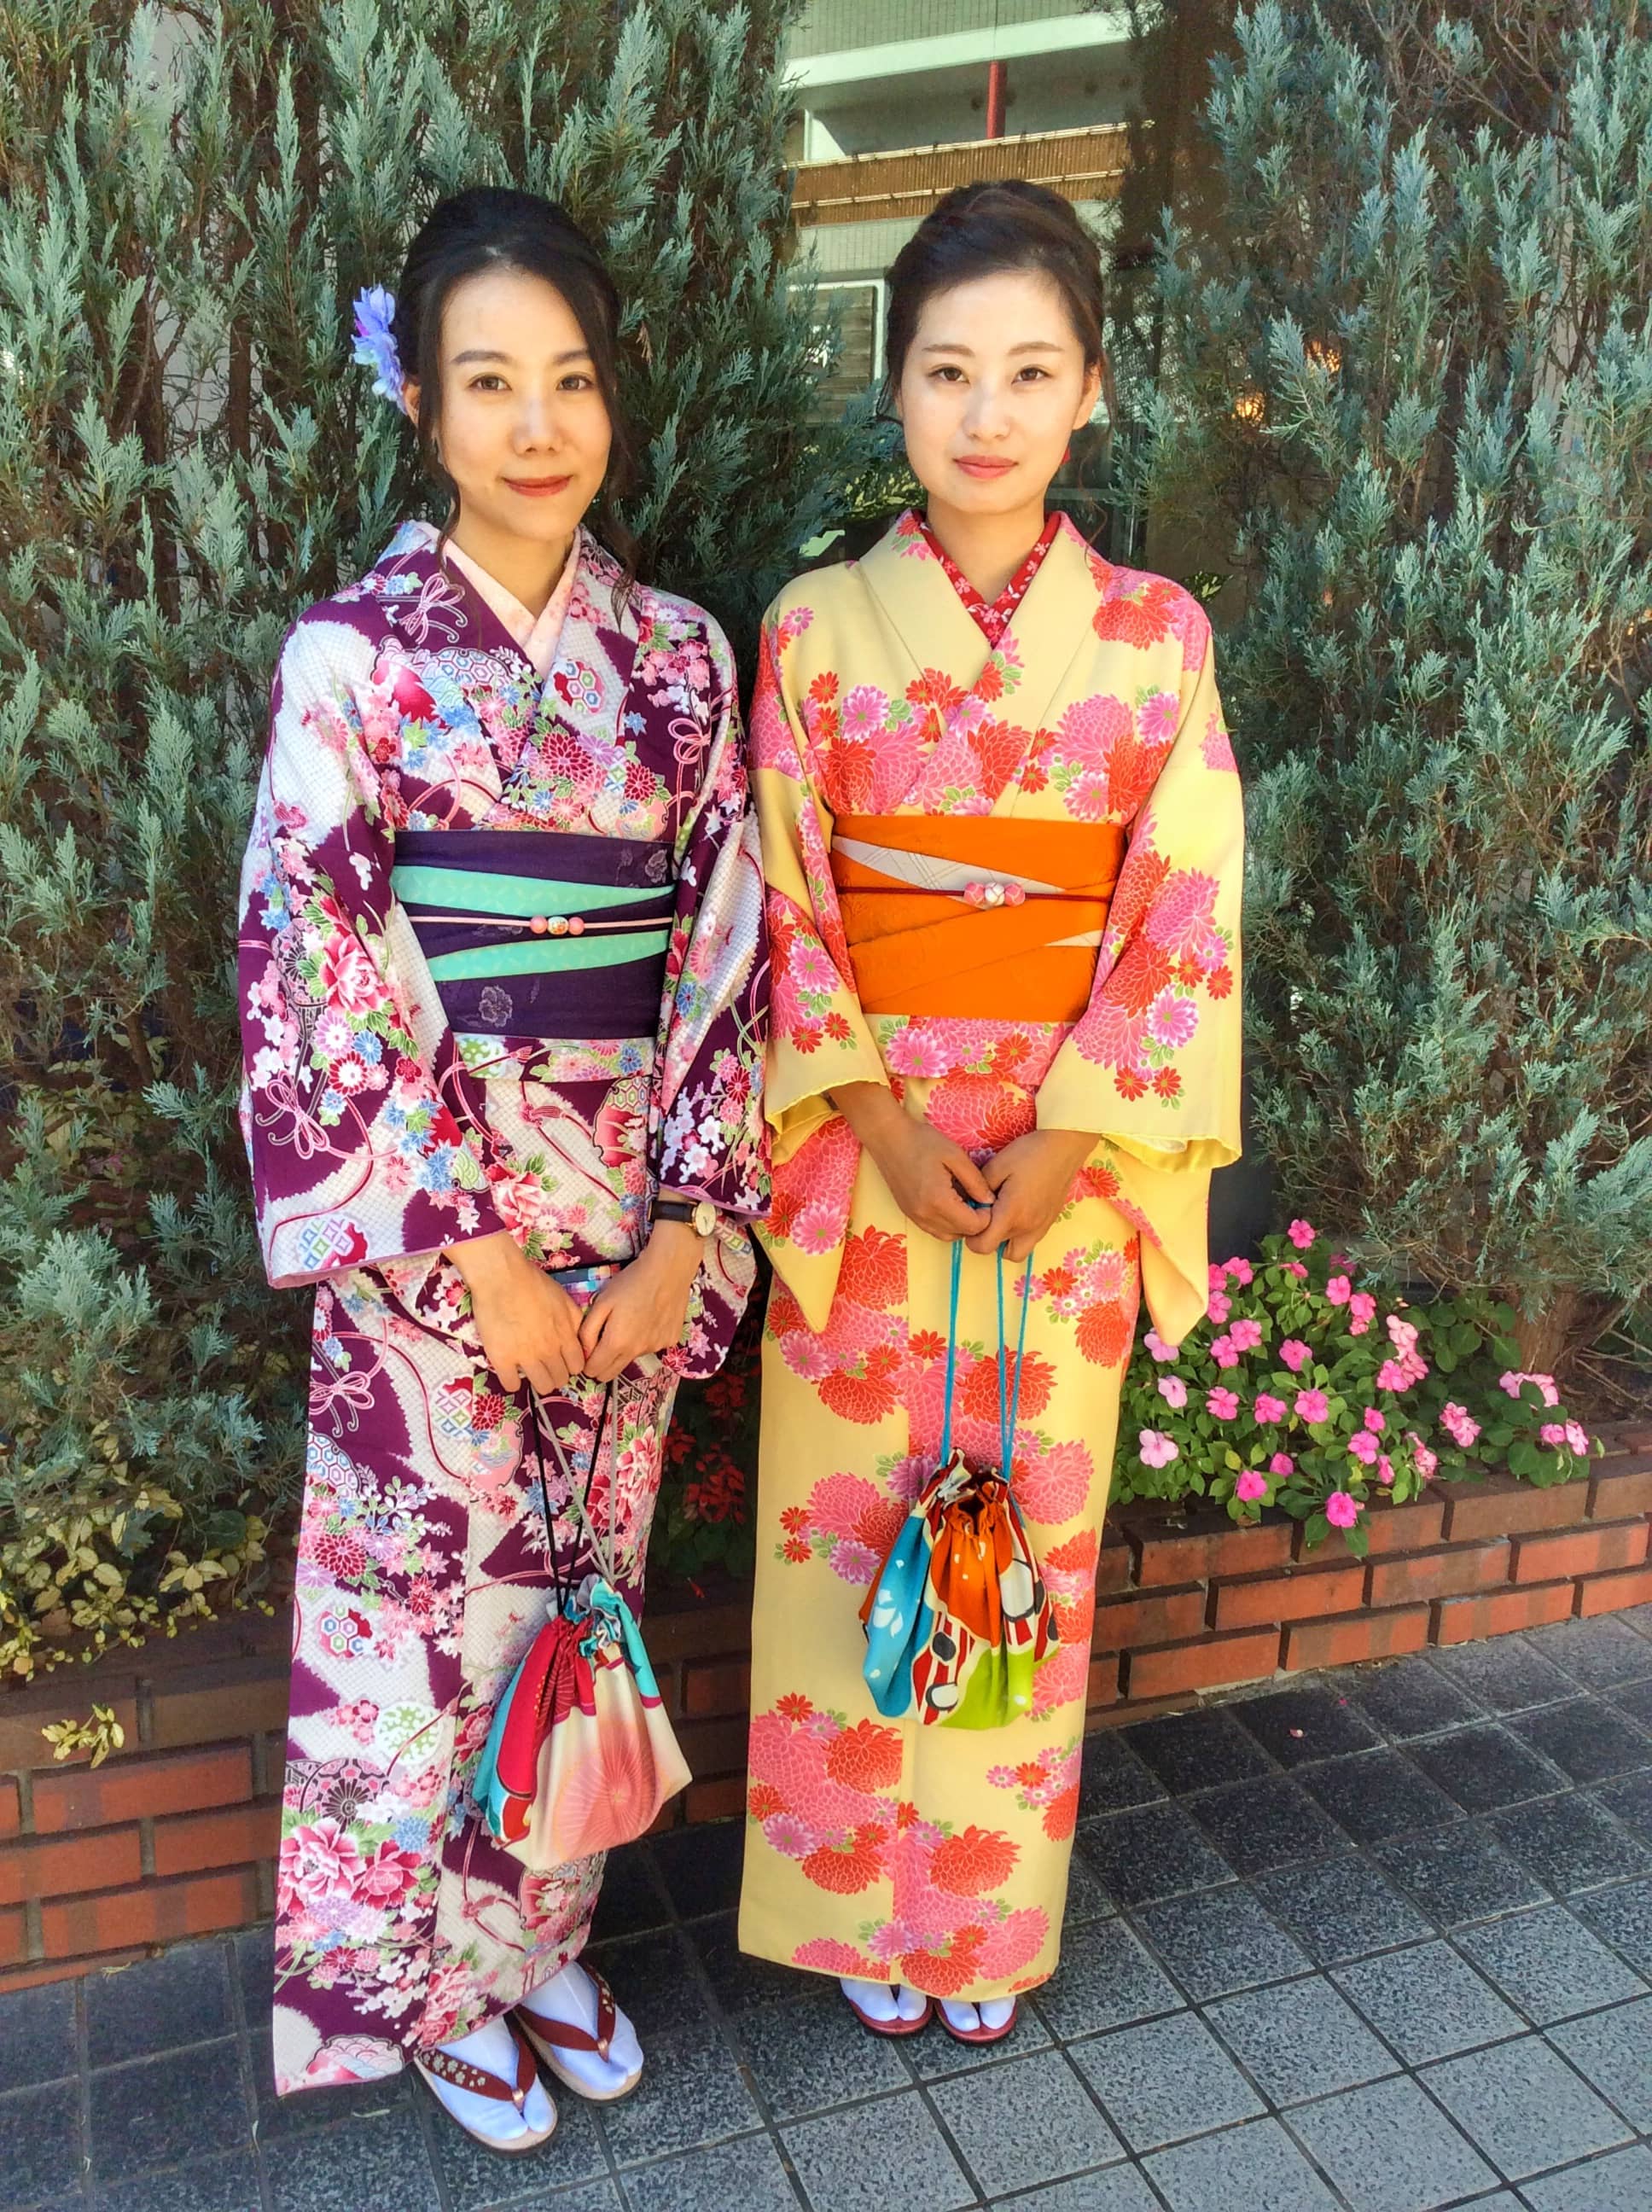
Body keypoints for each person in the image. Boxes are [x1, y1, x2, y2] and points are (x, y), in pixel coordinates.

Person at [237, 186, 767, 2150]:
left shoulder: (680, 661)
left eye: (568, 380)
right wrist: (475, 1257)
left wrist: (686, 1228)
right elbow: (313, 965)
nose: (535, 425)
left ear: (611, 395)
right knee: (418, 1631)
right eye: (487, 383)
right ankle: (425, 1990)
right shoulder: (349, 659)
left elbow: (727, 949)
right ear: (422, 406)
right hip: (433, 1254)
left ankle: (539, 1936)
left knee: (572, 1597)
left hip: (624, 1225)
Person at [737, 178, 1242, 2042]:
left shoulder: (1156, 637)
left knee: (1031, 1532)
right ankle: (857, 1914)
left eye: (1031, 370)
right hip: (865, 1163)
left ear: (1090, 391)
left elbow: (1184, 903)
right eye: (946, 369)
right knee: (847, 1530)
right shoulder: (810, 630)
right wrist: (872, 1120)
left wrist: (1078, 1135)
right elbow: (780, 902)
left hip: (1064, 1177)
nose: (985, 410)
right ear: (893, 387)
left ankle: (981, 1917)